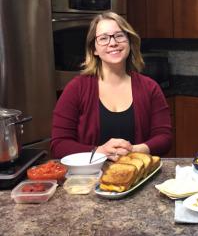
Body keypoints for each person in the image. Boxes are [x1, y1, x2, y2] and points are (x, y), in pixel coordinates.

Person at [51, 12, 172, 161]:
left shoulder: (150, 88)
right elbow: (59, 145)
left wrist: (134, 150)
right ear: (94, 49)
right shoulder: (76, 88)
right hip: (87, 181)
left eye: (119, 35)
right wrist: (98, 152)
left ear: (129, 41)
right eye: (103, 38)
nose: (113, 43)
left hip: (138, 176)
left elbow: (164, 138)